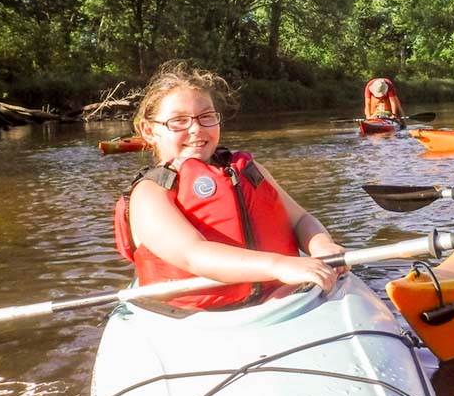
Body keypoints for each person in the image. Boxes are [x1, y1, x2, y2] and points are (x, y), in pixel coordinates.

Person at [114, 60, 345, 310]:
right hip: (194, 319)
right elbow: (194, 255)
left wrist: (323, 246)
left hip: (285, 300)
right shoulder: (149, 193)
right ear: (149, 131)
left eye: (207, 117)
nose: (196, 129)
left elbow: (300, 220)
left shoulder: (248, 171)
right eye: (179, 120)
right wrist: (279, 265)